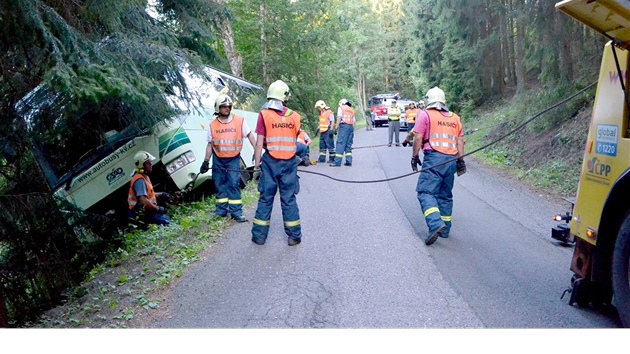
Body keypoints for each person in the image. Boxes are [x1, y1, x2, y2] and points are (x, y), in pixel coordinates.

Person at [409, 86, 466, 246]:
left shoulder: (425, 115)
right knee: (445, 195)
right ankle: (445, 229)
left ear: (428, 100)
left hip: (434, 158)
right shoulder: (455, 118)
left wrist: (414, 157)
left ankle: (435, 224)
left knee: (425, 192)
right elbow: (460, 141)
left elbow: (418, 137)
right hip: (452, 161)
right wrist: (460, 161)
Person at [251, 80, 302, 246]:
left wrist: (257, 167)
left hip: (270, 163)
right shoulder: (295, 117)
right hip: (289, 163)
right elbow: (294, 140)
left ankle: (259, 237)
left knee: (266, 198)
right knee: (289, 198)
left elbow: (259, 144)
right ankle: (294, 236)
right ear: (285, 97)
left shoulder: (264, 115)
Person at [199, 94, 256, 223]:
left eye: (228, 106)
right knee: (219, 184)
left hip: (233, 159)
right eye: (224, 107)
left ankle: (236, 212)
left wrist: (256, 151)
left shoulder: (239, 121)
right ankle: (221, 211)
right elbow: (210, 145)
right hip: (218, 159)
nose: (227, 109)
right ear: (218, 108)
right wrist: (206, 161)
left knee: (233, 184)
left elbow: (250, 136)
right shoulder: (212, 125)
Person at [128, 151, 172, 229]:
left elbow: (148, 194)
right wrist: (157, 209)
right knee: (169, 223)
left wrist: (161, 194)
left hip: (146, 213)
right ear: (142, 165)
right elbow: (143, 201)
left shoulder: (144, 177)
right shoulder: (139, 180)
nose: (151, 164)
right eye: (148, 162)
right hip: (142, 215)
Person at [330, 98, 355, 167]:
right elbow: (354, 121)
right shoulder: (351, 109)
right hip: (350, 127)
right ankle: (349, 161)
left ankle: (337, 162)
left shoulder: (341, 108)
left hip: (344, 127)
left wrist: (336, 128)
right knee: (348, 145)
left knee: (340, 143)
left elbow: (339, 118)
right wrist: (352, 130)